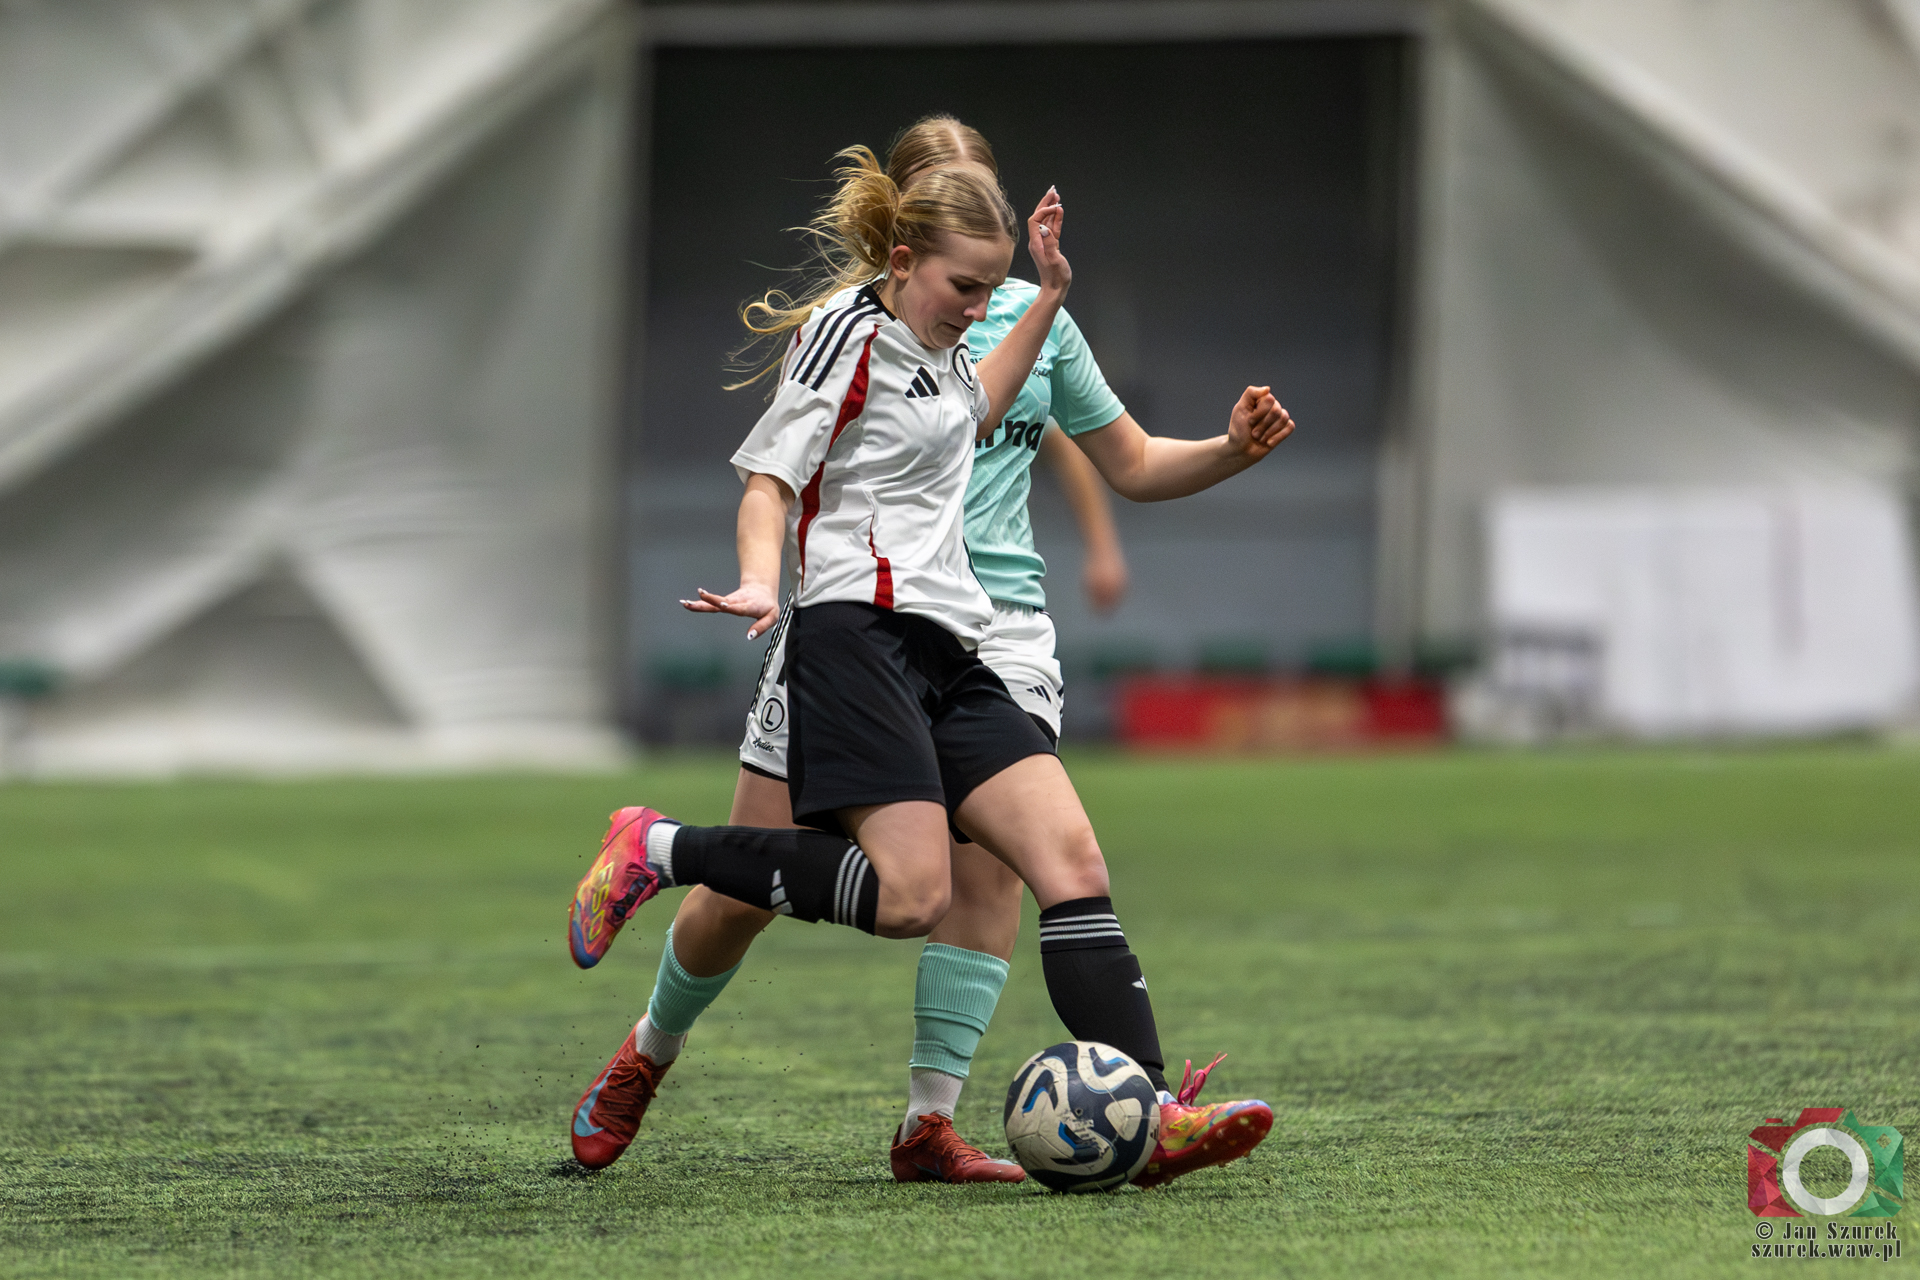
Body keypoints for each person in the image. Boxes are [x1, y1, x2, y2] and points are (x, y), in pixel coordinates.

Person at [566, 133, 1285, 1190]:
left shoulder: (965, 337)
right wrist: (760, 579)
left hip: (969, 640)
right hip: (852, 633)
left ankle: (1137, 1113)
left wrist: (1051, 299)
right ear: (904, 241)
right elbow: (768, 478)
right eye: (966, 283)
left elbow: (1010, 414)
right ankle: (656, 916)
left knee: (1062, 865)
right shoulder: (848, 332)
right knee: (810, 888)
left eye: (991, 281)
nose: (978, 302)